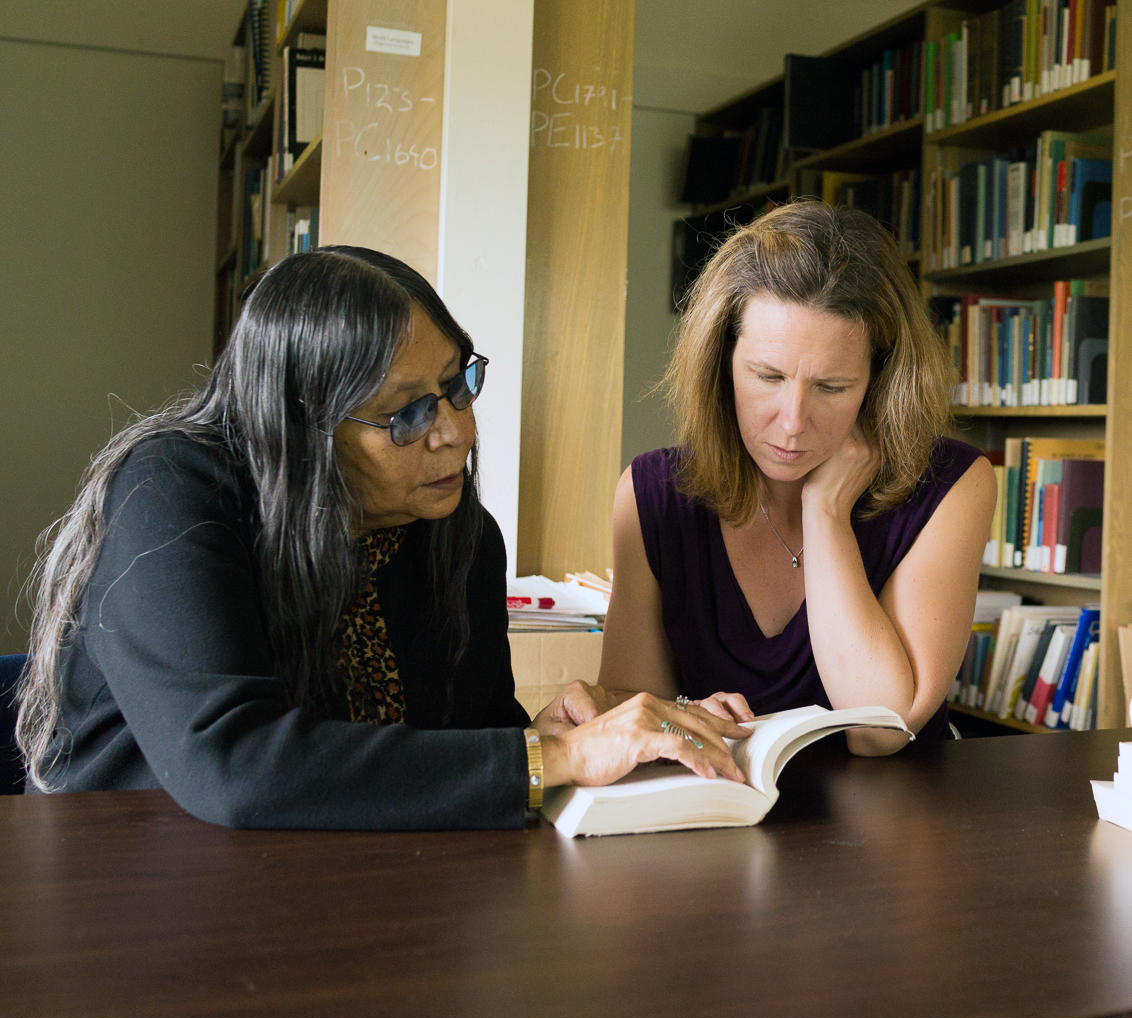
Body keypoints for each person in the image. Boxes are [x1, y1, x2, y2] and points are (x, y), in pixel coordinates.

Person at [14, 246, 750, 829]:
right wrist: (549, 755)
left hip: (341, 895)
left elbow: (473, 740)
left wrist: (557, 733)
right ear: (302, 431)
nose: (456, 432)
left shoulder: (455, 532)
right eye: (406, 416)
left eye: (459, 382)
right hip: (131, 894)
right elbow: (236, 764)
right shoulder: (171, 493)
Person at [598, 200, 997, 753]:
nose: (791, 424)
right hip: (715, 818)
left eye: (831, 388)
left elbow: (879, 730)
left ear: (879, 382)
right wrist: (678, 718)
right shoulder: (654, 495)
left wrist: (826, 511)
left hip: (891, 828)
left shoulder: (952, 483)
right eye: (767, 376)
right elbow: (632, 723)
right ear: (722, 361)